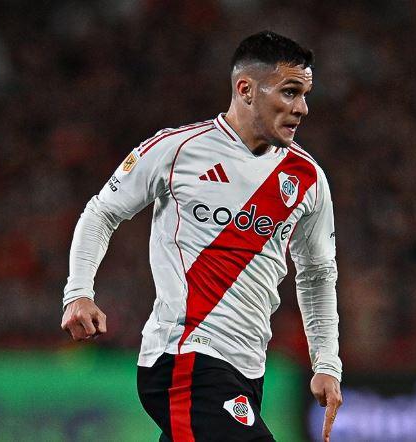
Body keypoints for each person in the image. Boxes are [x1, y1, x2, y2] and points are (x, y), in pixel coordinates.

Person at [61, 30, 343, 442]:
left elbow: (317, 273)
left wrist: (326, 362)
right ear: (246, 90)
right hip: (185, 357)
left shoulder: (308, 178)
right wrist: (78, 292)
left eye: (304, 95)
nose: (302, 108)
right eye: (289, 92)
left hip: (248, 368)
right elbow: (101, 212)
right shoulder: (177, 150)